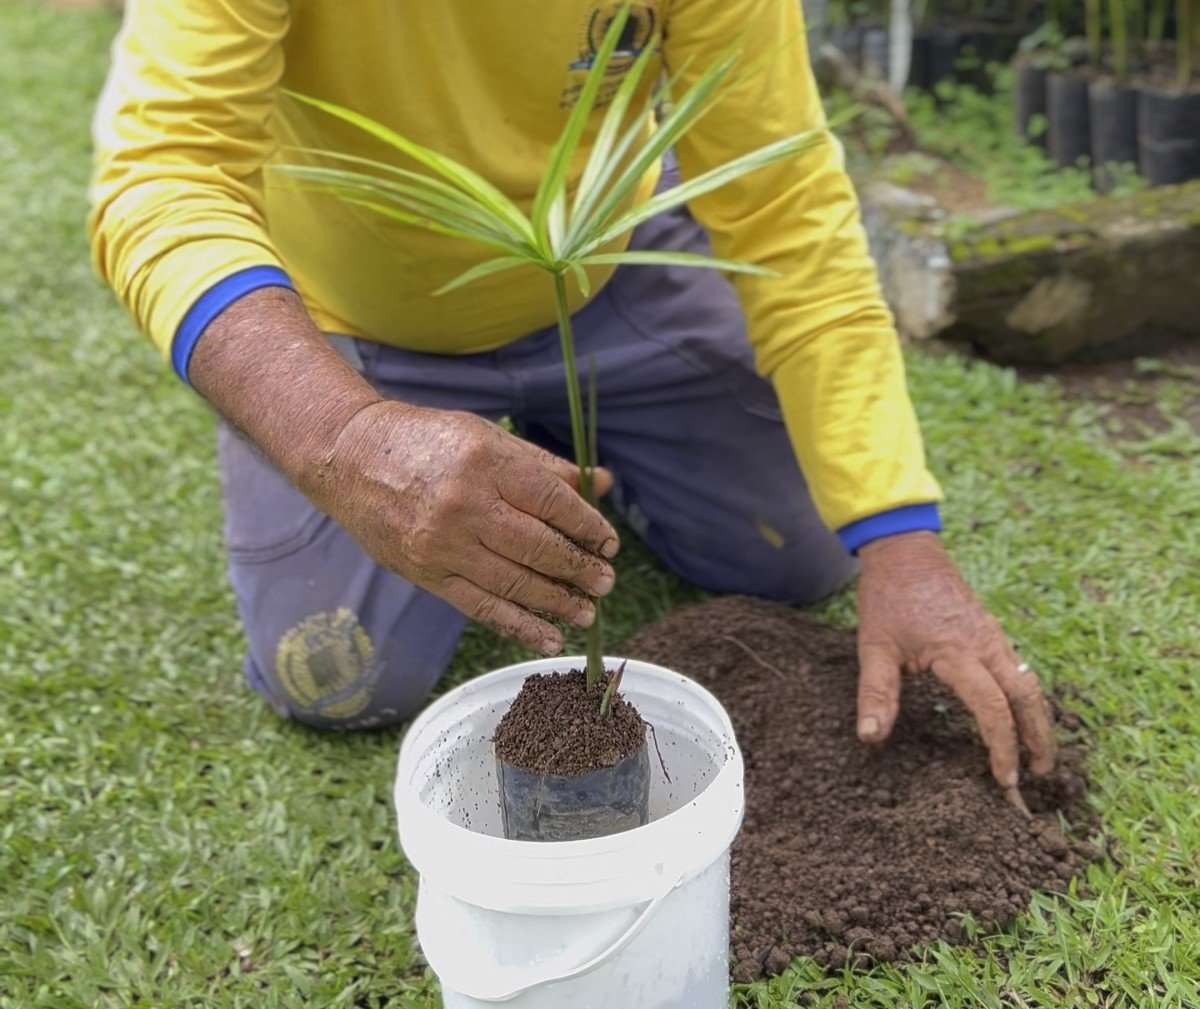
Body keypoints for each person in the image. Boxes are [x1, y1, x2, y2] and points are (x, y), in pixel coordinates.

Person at [89, 0, 1056, 793]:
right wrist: (339, 433)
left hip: (607, 266)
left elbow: (787, 209)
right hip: (354, 313)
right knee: (338, 680)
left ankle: (571, 430)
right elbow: (162, 181)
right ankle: (444, 435)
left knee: (796, 556)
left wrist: (899, 534)